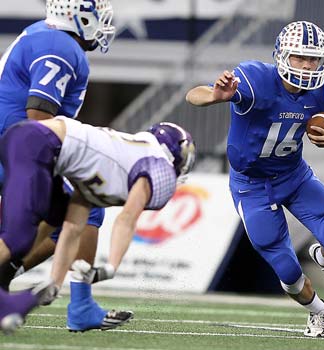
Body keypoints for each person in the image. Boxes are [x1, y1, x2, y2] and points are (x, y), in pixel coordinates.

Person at [186, 21, 324, 338]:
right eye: (299, 57)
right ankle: (317, 311)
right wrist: (215, 95)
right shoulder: (256, 81)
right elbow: (192, 96)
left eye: (313, 59)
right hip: (251, 186)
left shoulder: (323, 90)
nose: (307, 66)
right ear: (282, 56)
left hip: (294, 176)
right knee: (288, 272)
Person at [0, 0, 130, 332]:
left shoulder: (47, 36)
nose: (103, 25)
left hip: (15, 141)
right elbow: (39, 115)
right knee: (88, 202)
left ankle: (8, 282)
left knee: (63, 217)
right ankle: (82, 306)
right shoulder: (60, 45)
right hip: (16, 144)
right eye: (98, 17)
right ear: (81, 17)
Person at [0, 118, 196, 334]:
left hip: (36, 143)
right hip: (36, 143)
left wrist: (54, 283)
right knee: (19, 237)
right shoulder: (157, 165)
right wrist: (111, 267)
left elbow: (73, 228)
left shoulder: (111, 168)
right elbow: (127, 218)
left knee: (56, 214)